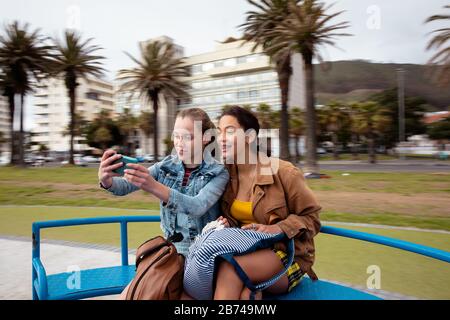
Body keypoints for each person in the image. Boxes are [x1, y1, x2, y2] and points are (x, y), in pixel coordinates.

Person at [214, 106, 321, 300]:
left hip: (286, 254)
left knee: (229, 268)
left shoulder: (285, 172)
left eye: (229, 131)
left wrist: (278, 228)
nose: (221, 138)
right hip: (246, 251)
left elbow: (312, 218)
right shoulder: (224, 175)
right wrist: (227, 224)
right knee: (247, 295)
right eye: (219, 131)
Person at [98, 107, 229, 257]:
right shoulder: (165, 166)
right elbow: (125, 186)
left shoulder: (219, 172)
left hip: (204, 251)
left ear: (206, 138)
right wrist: (106, 180)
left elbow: (197, 206)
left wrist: (153, 186)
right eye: (177, 136)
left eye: (188, 137)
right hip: (171, 250)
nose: (180, 143)